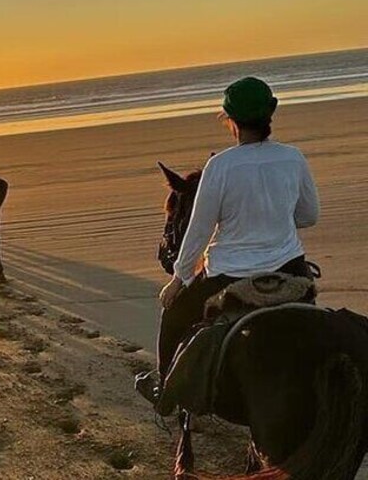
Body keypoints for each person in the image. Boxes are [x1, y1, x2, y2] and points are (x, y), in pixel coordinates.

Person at [135, 77, 320, 405]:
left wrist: (179, 279)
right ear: (271, 113)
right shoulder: (293, 157)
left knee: (175, 314)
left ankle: (165, 390)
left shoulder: (219, 166)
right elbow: (308, 215)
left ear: (230, 121)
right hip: (290, 266)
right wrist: (271, 218)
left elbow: (199, 229)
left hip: (231, 274)